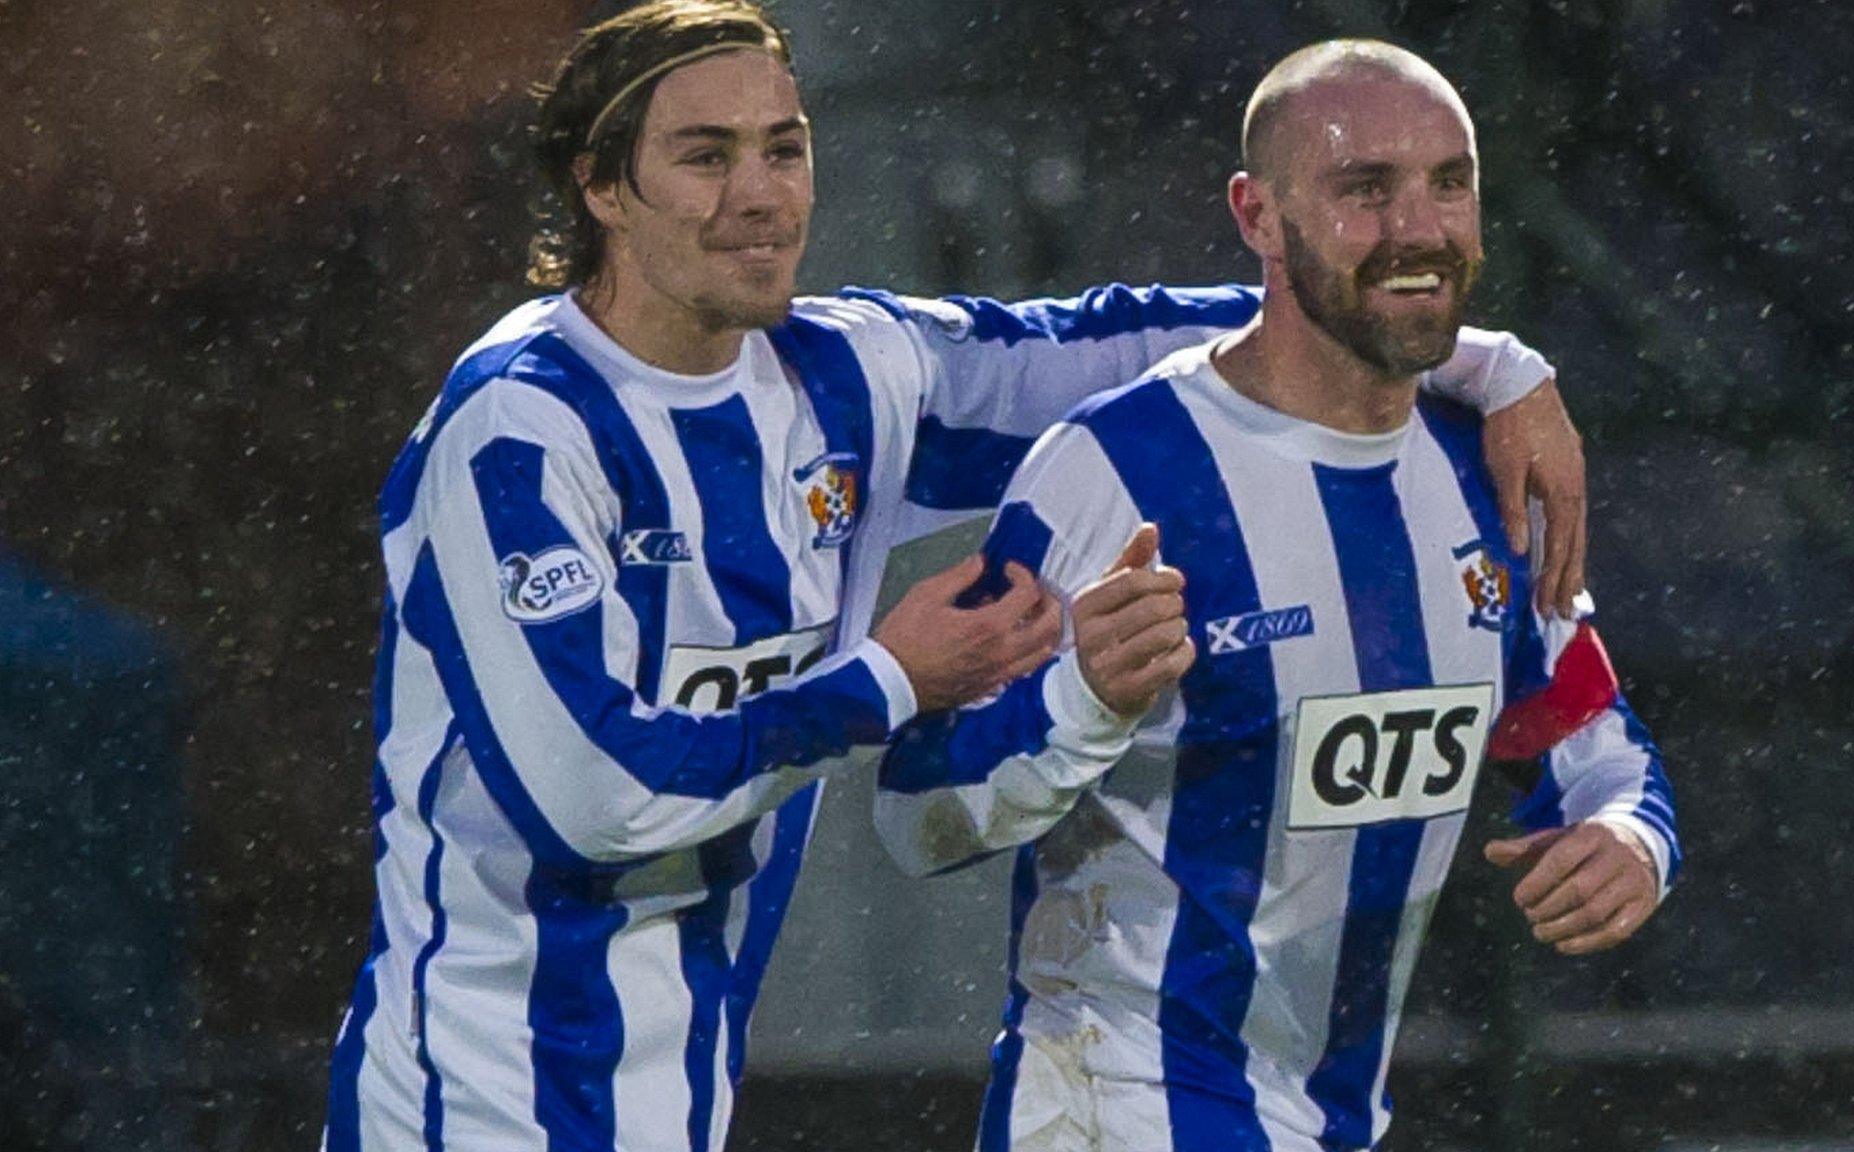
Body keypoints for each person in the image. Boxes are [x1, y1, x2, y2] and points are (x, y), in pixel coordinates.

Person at [322, 5, 1588, 1150]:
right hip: (470, 1088)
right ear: (600, 186)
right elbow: (597, 800)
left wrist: (1484, 360)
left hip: (684, 1075)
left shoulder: (840, 377)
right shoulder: (519, 433)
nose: (760, 195)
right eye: (704, 157)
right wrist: (888, 681)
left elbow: (1181, 339)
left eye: (785, 146)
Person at [874, 39, 1681, 1152]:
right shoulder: (1114, 471)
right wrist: (1077, 703)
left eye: (1450, 183)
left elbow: (1589, 735)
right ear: (1256, 217)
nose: (1419, 228)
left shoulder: (1484, 470)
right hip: (1115, 1101)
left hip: (1325, 1114)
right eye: (1364, 189)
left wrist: (1625, 837)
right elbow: (913, 814)